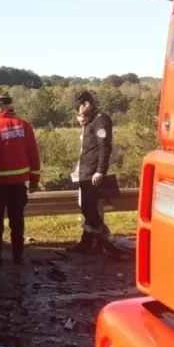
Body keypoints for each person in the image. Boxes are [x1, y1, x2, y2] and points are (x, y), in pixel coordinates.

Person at [0, 94, 41, 265]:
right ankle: (18, 255)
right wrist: (35, 179)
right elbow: (33, 155)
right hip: (18, 184)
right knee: (17, 220)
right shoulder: (25, 126)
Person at [68, 91, 114, 253]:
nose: (77, 112)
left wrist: (100, 170)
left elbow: (104, 147)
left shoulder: (100, 120)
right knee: (87, 208)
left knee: (89, 208)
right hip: (85, 170)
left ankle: (102, 234)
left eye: (78, 108)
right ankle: (87, 242)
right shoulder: (89, 121)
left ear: (86, 104)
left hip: (93, 172)